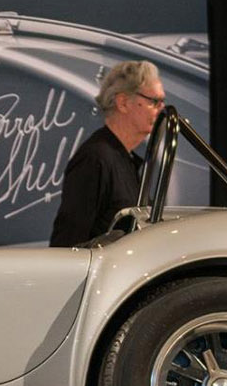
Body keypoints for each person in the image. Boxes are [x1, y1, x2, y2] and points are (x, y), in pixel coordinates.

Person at [48, 60, 166, 248]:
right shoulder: (95, 159)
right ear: (123, 102)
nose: (162, 110)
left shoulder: (124, 159)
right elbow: (68, 244)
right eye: (154, 101)